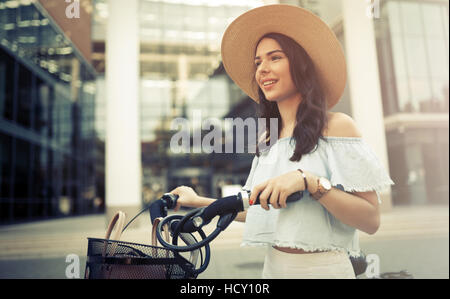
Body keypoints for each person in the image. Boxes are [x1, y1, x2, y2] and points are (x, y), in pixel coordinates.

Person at [169, 4, 394, 279]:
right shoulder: (268, 137)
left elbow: (370, 220)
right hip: (273, 269)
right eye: (258, 62)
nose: (262, 69)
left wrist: (309, 182)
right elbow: (255, 208)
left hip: (324, 270)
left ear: (300, 64)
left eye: (275, 58)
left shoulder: (337, 126)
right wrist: (196, 202)